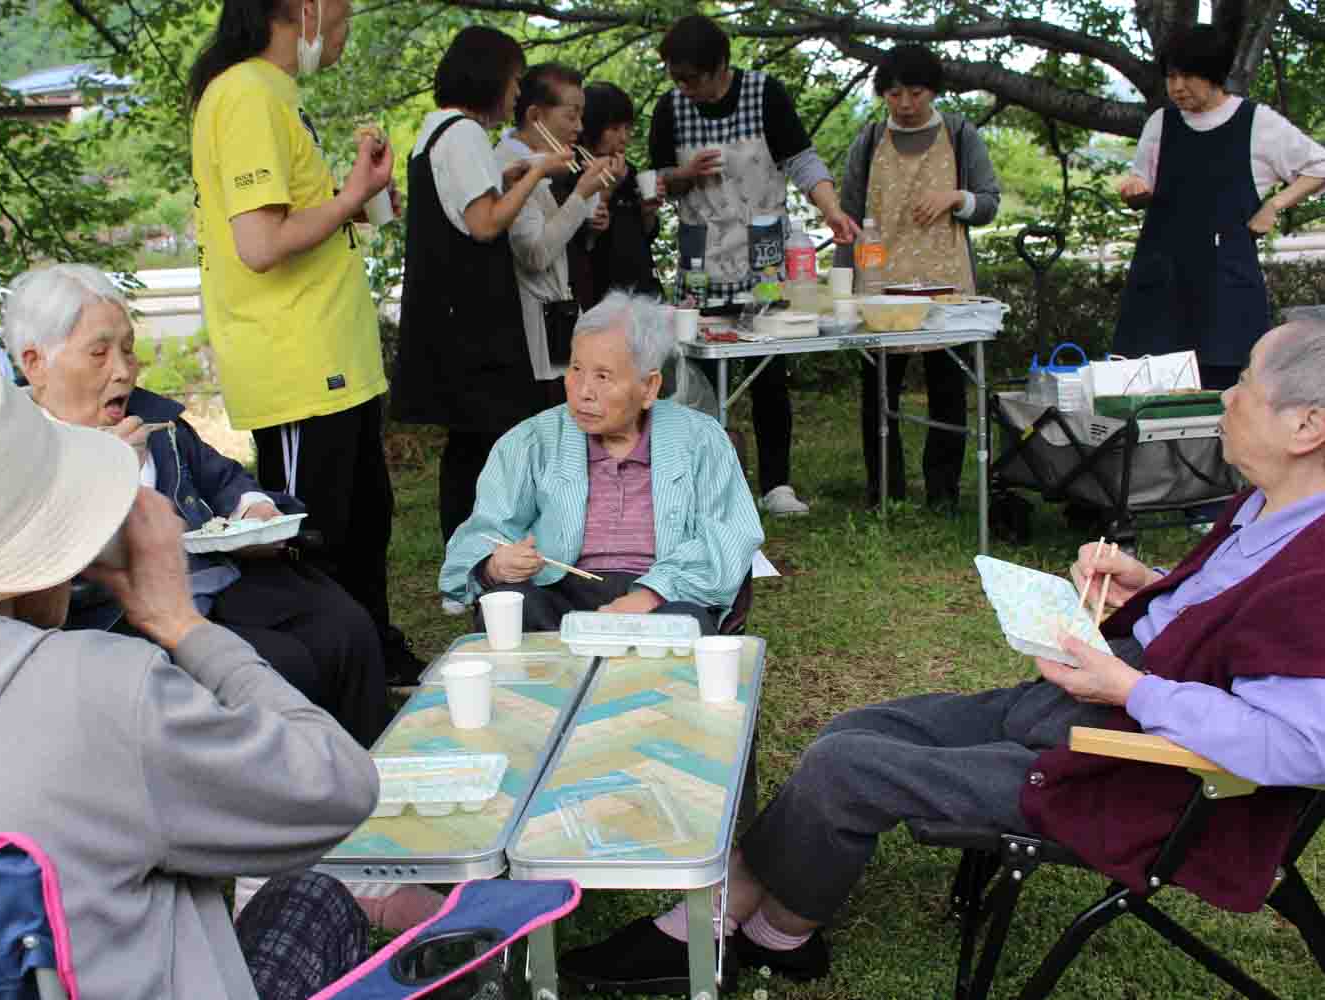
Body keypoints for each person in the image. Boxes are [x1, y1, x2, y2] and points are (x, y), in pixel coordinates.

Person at [561, 320, 1325, 996]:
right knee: (857, 728)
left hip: (1131, 771)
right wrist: (1150, 589)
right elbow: (1227, 631)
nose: (1226, 396)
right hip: (1089, 708)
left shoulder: (1317, 568)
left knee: (847, 767)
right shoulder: (1267, 505)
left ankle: (728, 930)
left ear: (1307, 427)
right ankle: (771, 931)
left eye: (1247, 384)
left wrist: (1129, 683)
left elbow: (1298, 745)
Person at [0, 363, 381, 999]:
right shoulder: (103, 693)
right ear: (42, 547)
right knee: (312, 897)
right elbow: (336, 785)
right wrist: (179, 622)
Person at [5, 264, 387, 746]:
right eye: (99, 353)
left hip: (216, 580)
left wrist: (252, 508)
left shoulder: (155, 418)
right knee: (281, 663)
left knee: (345, 627)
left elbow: (224, 477)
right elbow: (36, 580)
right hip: (119, 614)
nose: (122, 369)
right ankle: (302, 798)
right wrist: (103, 477)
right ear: (35, 363)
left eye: (127, 348)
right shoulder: (16, 448)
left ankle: (375, 776)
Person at [188, 0, 425, 684]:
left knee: (365, 522)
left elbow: (304, 219)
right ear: (303, 10)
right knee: (311, 540)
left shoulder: (277, 96)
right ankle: (328, 683)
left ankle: (377, 655)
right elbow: (259, 245)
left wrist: (362, 194)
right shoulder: (244, 94)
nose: (348, 24)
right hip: (293, 361)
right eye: (342, 13)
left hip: (334, 356)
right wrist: (351, 194)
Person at [441, 291, 762, 634]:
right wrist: (494, 566)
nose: (583, 391)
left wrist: (650, 594)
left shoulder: (701, 440)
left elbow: (729, 536)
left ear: (649, 387)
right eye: (576, 369)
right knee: (515, 609)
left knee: (685, 624)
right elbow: (484, 531)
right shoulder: (530, 442)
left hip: (663, 593)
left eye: (603, 376)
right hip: (557, 595)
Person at [650, 14, 859, 518]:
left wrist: (831, 210)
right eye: (677, 78)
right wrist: (680, 174)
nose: (685, 88)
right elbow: (651, 183)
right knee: (697, 375)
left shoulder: (765, 94)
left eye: (693, 78)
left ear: (720, 65)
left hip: (765, 255)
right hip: (701, 256)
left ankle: (776, 484)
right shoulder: (670, 109)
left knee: (768, 369)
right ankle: (699, 489)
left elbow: (802, 160)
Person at [393, 27, 580, 552]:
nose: (518, 93)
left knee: (468, 447)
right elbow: (484, 221)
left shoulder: (433, 131)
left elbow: (468, 201)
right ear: (490, 77)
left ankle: (471, 555)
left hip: (446, 316)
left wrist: (516, 171)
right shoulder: (465, 134)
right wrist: (539, 169)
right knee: (488, 448)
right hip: (472, 324)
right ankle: (479, 559)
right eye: (516, 80)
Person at [834, 44, 1002, 510]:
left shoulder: (959, 133)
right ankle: (884, 489)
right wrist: (841, 286)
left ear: (933, 91)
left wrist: (954, 198)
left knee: (947, 389)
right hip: (880, 284)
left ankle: (943, 491)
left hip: (946, 283)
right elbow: (847, 218)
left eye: (915, 92)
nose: (905, 104)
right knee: (878, 392)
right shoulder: (869, 141)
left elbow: (989, 202)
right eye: (893, 94)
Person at [1112, 22, 1325, 390]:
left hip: (1225, 290)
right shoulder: (1161, 124)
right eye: (1171, 76)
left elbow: (1318, 166)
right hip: (1160, 284)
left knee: (1229, 394)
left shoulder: (1257, 123)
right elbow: (1142, 182)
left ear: (1214, 75)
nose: (1177, 87)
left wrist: (1275, 205)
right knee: (1150, 396)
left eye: (1188, 76)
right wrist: (1136, 191)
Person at [493, 63, 620, 396]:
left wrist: (590, 219)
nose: (579, 127)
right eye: (571, 115)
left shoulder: (545, 164)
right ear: (535, 115)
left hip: (556, 331)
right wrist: (580, 196)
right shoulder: (512, 167)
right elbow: (534, 254)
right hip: (530, 340)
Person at [558, 81, 665, 308]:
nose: (624, 137)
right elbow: (581, 239)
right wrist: (607, 190)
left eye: (627, 128)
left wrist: (648, 212)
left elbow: (645, 235)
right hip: (599, 295)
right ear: (591, 126)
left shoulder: (630, 171)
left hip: (642, 290)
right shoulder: (572, 170)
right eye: (615, 129)